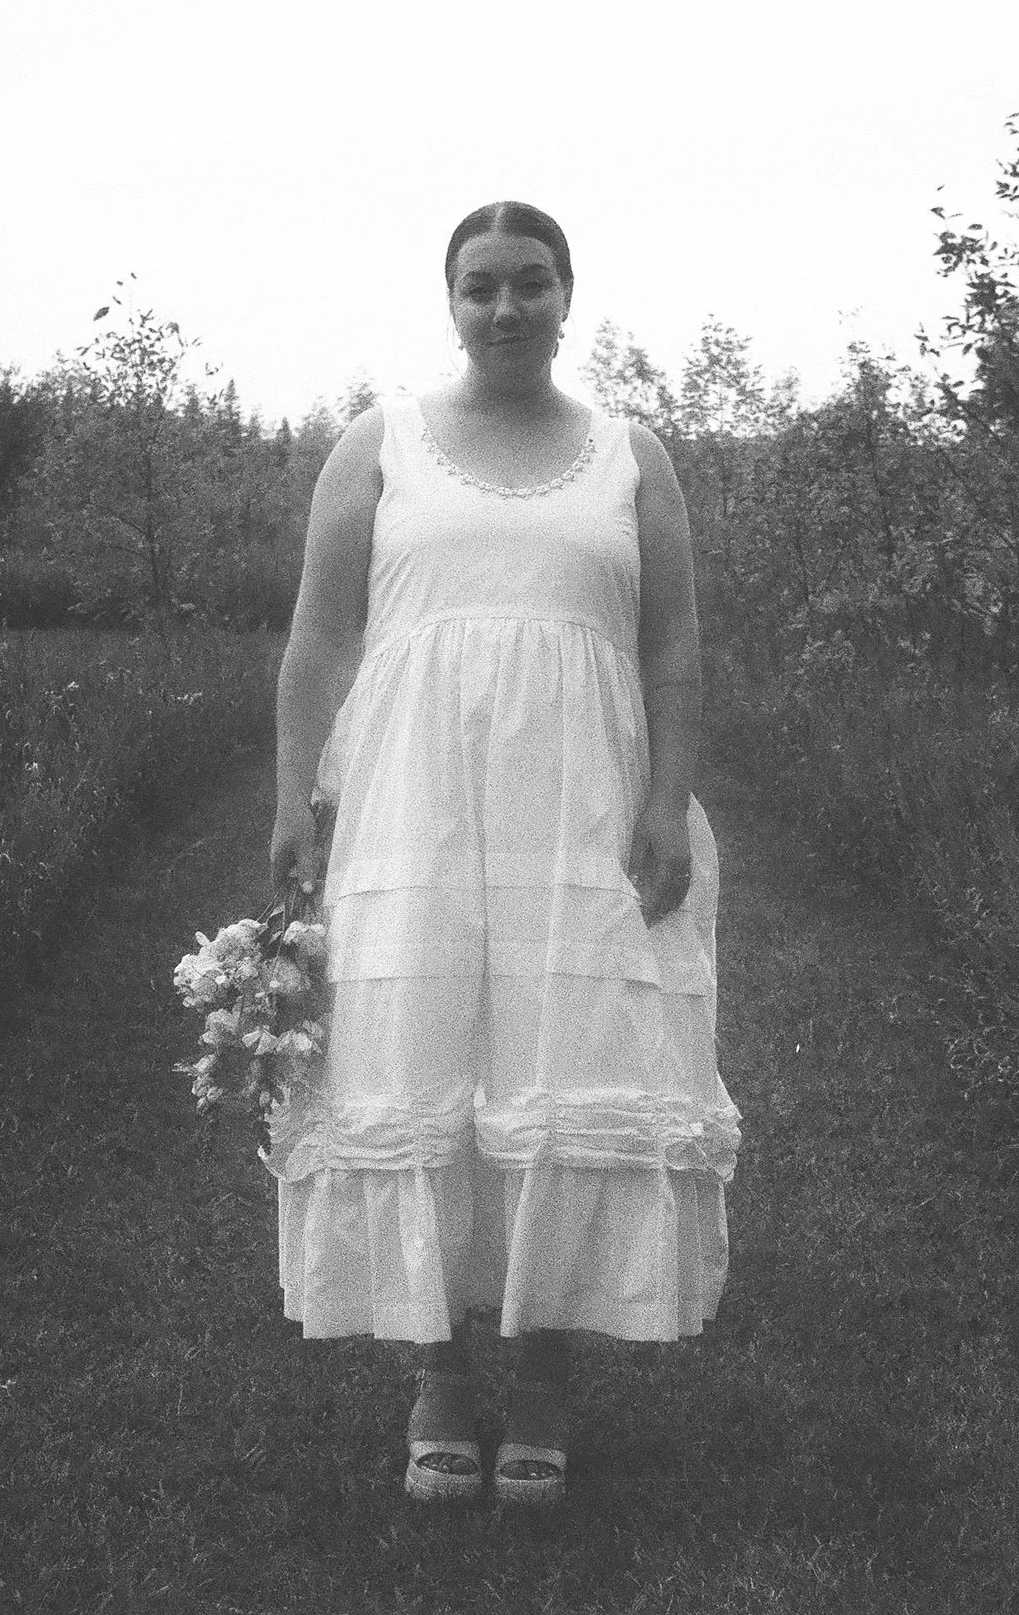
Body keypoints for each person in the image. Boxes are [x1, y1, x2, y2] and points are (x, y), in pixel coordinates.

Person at [266, 201, 737, 1510]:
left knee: (561, 1056)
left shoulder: (632, 456)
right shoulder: (380, 445)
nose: (506, 307)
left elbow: (675, 648)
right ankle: (436, 1378)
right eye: (481, 286)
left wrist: (666, 801)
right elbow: (316, 643)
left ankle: (538, 1375)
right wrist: (295, 802)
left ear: (568, 295)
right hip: (411, 799)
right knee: (415, 1052)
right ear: (450, 301)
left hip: (585, 801)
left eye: (531, 283)